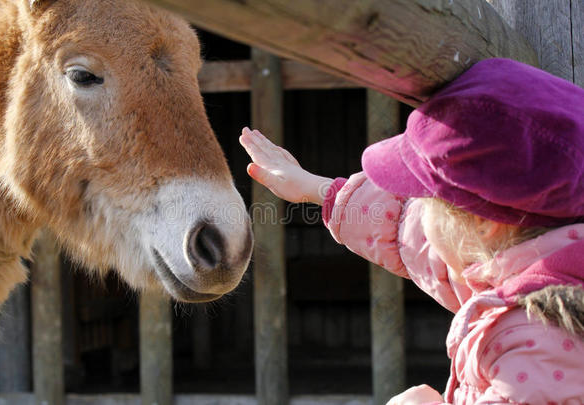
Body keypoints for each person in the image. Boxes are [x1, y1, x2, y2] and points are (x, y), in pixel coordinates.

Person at [239, 58, 584, 404]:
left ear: (483, 222)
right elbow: (409, 231)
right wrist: (317, 190)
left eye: (422, 195)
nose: (413, 204)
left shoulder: (535, 343)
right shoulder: (537, 259)